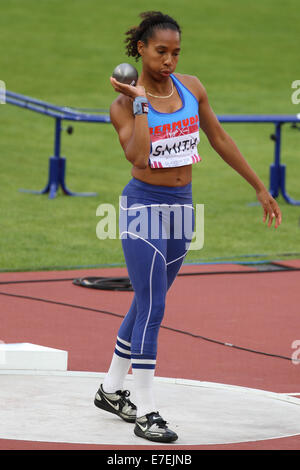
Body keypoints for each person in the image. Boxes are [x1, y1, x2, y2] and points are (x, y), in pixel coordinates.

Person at [94, 11, 282, 443]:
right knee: (154, 306)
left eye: (176, 52)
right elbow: (140, 157)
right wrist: (140, 101)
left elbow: (218, 137)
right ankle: (146, 412)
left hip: (182, 208)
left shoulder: (192, 88)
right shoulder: (123, 106)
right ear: (141, 49)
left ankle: (110, 390)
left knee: (146, 303)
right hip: (143, 207)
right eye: (161, 52)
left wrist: (258, 186)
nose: (170, 61)